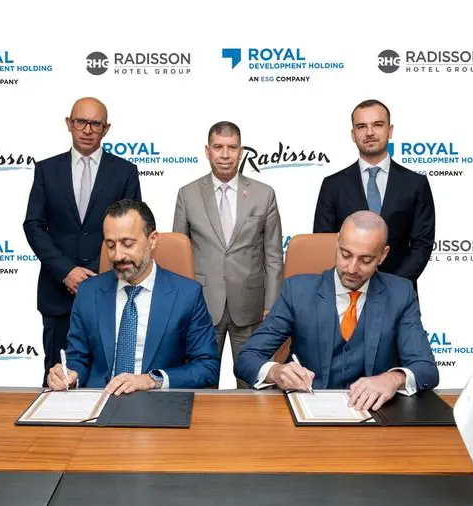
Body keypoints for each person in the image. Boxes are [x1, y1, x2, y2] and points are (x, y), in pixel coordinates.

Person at [235, 211, 438, 411]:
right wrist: (275, 372)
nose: (351, 268)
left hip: (374, 413)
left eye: (365, 260)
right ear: (337, 243)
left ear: (383, 255)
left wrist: (393, 379)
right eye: (345, 255)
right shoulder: (297, 291)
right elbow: (247, 358)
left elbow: (426, 369)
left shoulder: (400, 293)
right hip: (308, 410)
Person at [24, 97, 142, 386]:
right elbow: (34, 225)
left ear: (106, 128)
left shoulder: (124, 171)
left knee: (108, 375)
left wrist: (100, 275)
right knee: (58, 378)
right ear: (69, 124)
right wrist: (66, 271)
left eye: (95, 124)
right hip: (57, 292)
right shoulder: (46, 170)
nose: (87, 130)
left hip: (110, 289)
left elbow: (132, 229)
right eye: (81, 122)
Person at [46, 199, 220, 394]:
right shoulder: (88, 292)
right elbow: (77, 358)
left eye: (128, 244)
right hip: (99, 398)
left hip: (156, 400)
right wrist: (69, 375)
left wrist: (152, 380)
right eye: (110, 245)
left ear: (152, 240)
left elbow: (207, 367)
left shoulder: (187, 294)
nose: (118, 256)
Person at [172, 121, 283, 388]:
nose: (225, 154)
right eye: (218, 147)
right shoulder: (187, 194)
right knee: (200, 384)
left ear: (241, 151)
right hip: (201, 306)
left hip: (251, 306)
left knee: (254, 385)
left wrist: (272, 304)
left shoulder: (264, 194)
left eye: (232, 148)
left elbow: (273, 255)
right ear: (207, 151)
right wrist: (180, 306)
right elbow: (179, 254)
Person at [313, 99, 435, 292]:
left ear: (390, 130)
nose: (369, 132)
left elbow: (422, 244)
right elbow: (324, 242)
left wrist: (392, 287)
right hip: (345, 294)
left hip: (399, 294)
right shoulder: (332, 185)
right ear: (353, 135)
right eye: (361, 126)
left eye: (377, 125)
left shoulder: (415, 184)